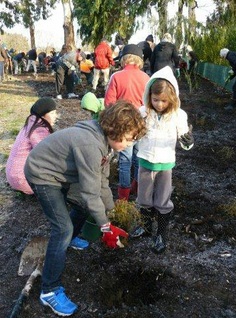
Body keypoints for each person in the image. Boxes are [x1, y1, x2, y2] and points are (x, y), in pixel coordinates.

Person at [24, 100, 146, 316]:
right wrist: (106, 228)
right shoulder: (90, 145)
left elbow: (102, 183)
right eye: (128, 140)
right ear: (115, 131)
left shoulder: (104, 143)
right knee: (62, 229)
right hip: (42, 174)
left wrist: (111, 213)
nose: (129, 145)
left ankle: (68, 240)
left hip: (60, 173)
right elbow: (90, 194)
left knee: (81, 207)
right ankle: (49, 291)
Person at [132, 66, 194, 254]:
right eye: (155, 99)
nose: (159, 104)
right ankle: (145, 226)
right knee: (143, 198)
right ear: (149, 96)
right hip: (145, 161)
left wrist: (187, 142)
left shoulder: (178, 116)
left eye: (164, 101)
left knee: (162, 200)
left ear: (172, 99)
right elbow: (133, 135)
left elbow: (185, 141)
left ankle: (161, 234)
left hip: (165, 164)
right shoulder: (143, 112)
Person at [105, 44, 150, 200]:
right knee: (138, 158)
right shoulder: (146, 78)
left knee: (125, 160)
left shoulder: (116, 77)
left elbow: (109, 103)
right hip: (141, 124)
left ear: (124, 59)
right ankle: (137, 190)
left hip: (123, 125)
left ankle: (123, 196)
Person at [6, 97, 58, 195]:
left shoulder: (31, 123)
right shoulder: (39, 130)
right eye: (52, 113)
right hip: (22, 179)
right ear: (43, 114)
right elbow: (47, 156)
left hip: (13, 175)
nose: (56, 116)